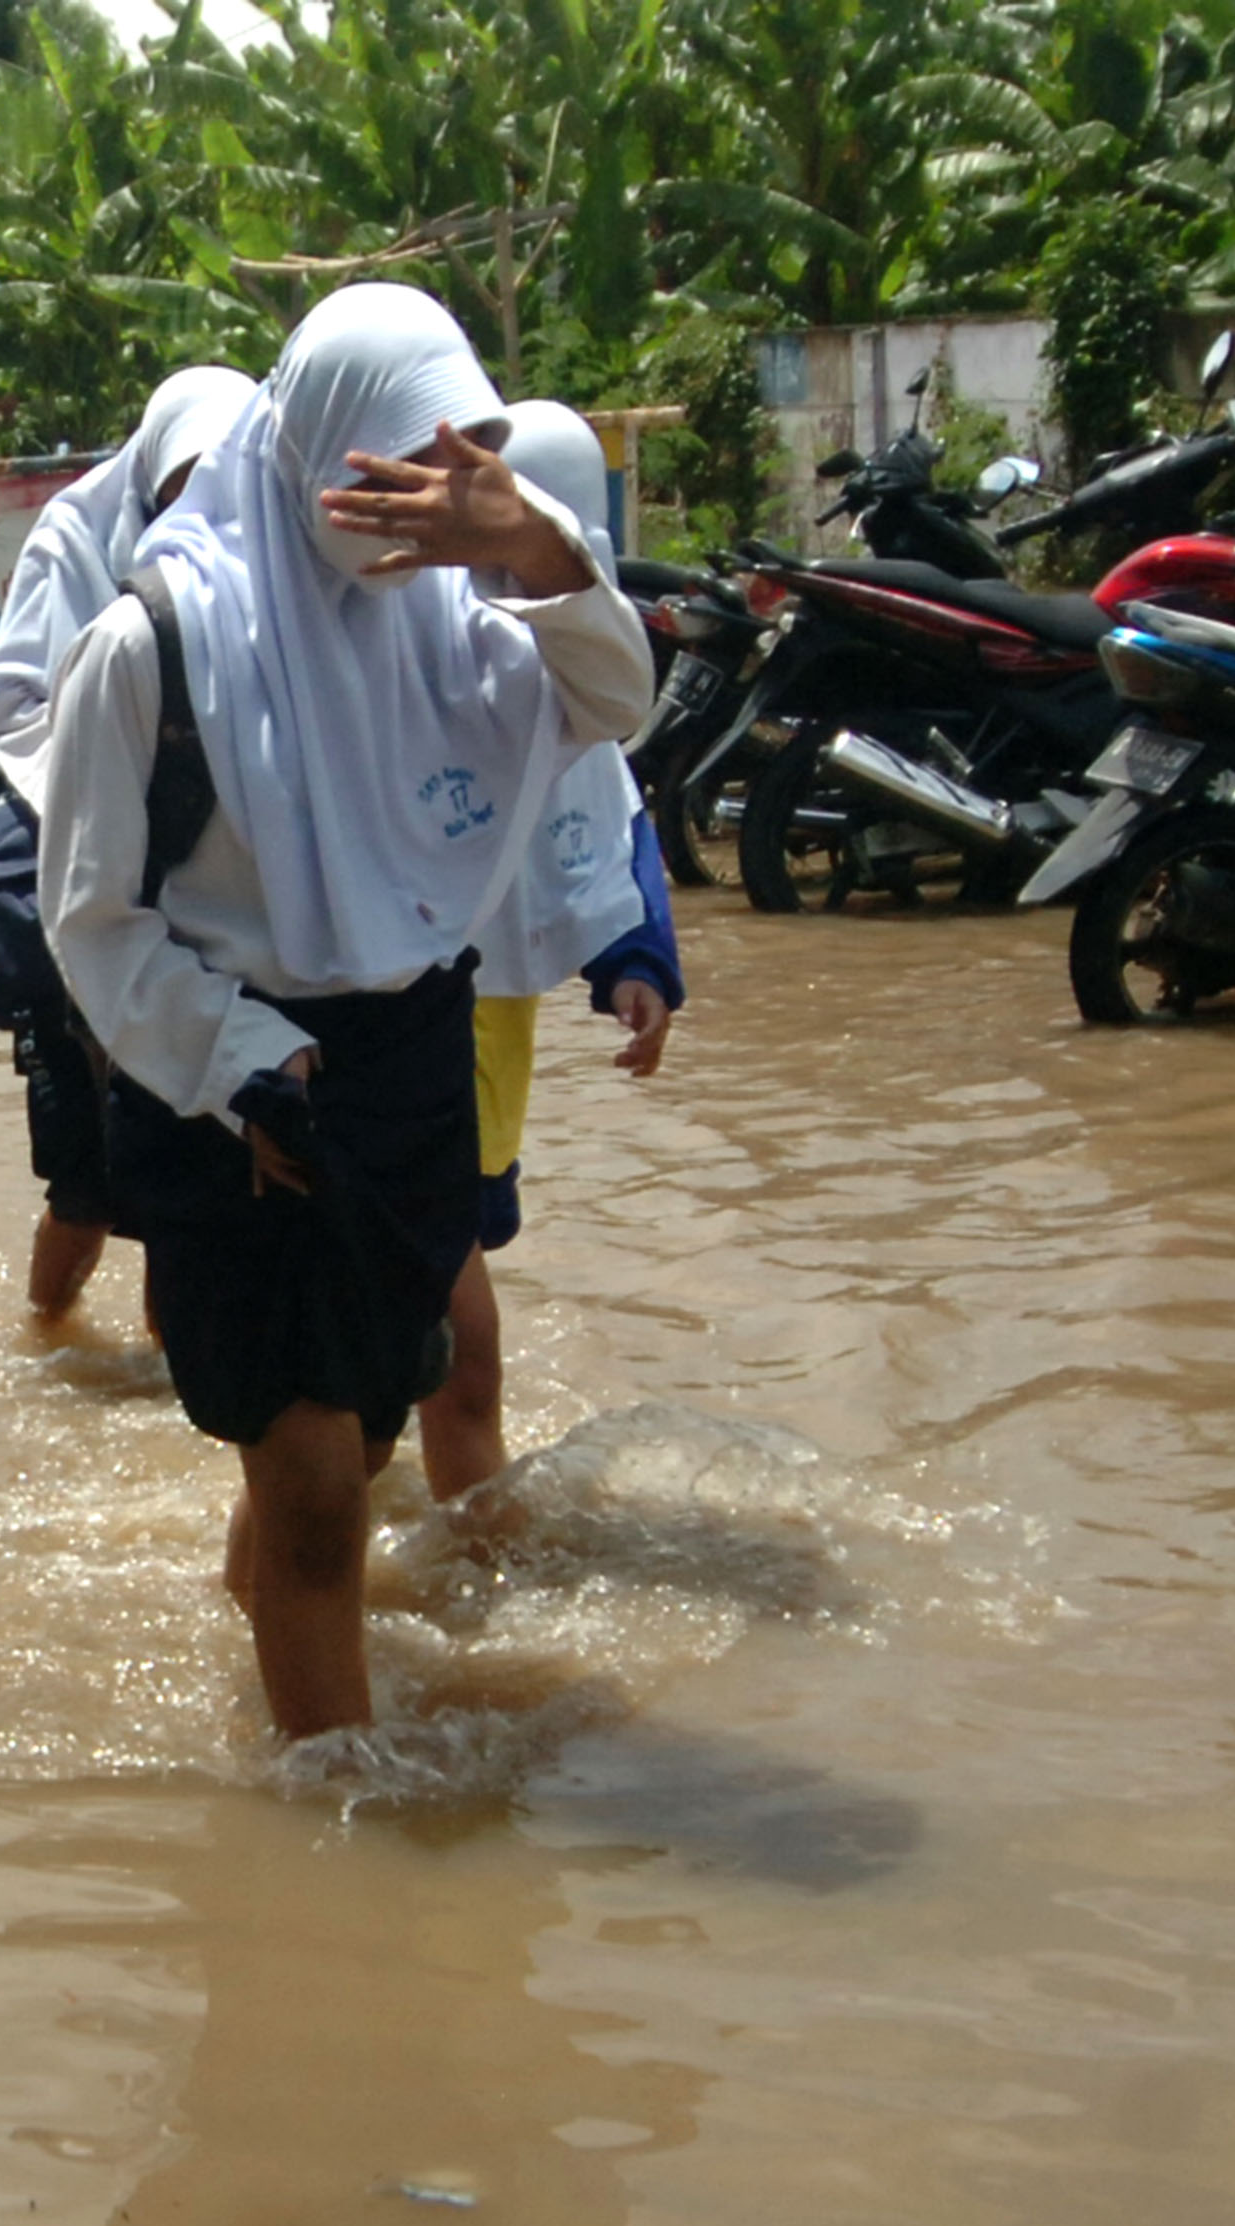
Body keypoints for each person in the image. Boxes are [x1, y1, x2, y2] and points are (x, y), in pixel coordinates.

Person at [34, 284, 652, 1739]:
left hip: (406, 1075)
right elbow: (91, 920)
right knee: (316, 1486)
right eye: (387, 466)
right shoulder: (153, 644)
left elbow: (620, 699)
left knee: (358, 1444)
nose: (418, 501)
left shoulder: (467, 624)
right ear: (306, 449)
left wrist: (542, 549)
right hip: (229, 1081)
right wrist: (242, 1060)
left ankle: (255, 1620)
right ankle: (341, 1832)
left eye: (455, 462)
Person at [0, 364, 256, 1316]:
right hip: (76, 901)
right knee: (83, 1194)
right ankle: (46, 1352)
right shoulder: (76, 540)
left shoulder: (272, 553)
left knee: (191, 1198)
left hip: (207, 920)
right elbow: (4, 711)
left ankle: (173, 1391)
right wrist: (115, 784)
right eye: (174, 497)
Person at [417, 397, 683, 1504]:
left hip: (491, 1021)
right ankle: (471, 1551)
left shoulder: (573, 662)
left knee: (445, 1295)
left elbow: (610, 832)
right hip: (403, 1014)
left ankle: (444, 1542)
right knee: (452, 1330)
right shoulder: (424, 653)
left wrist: (636, 965)